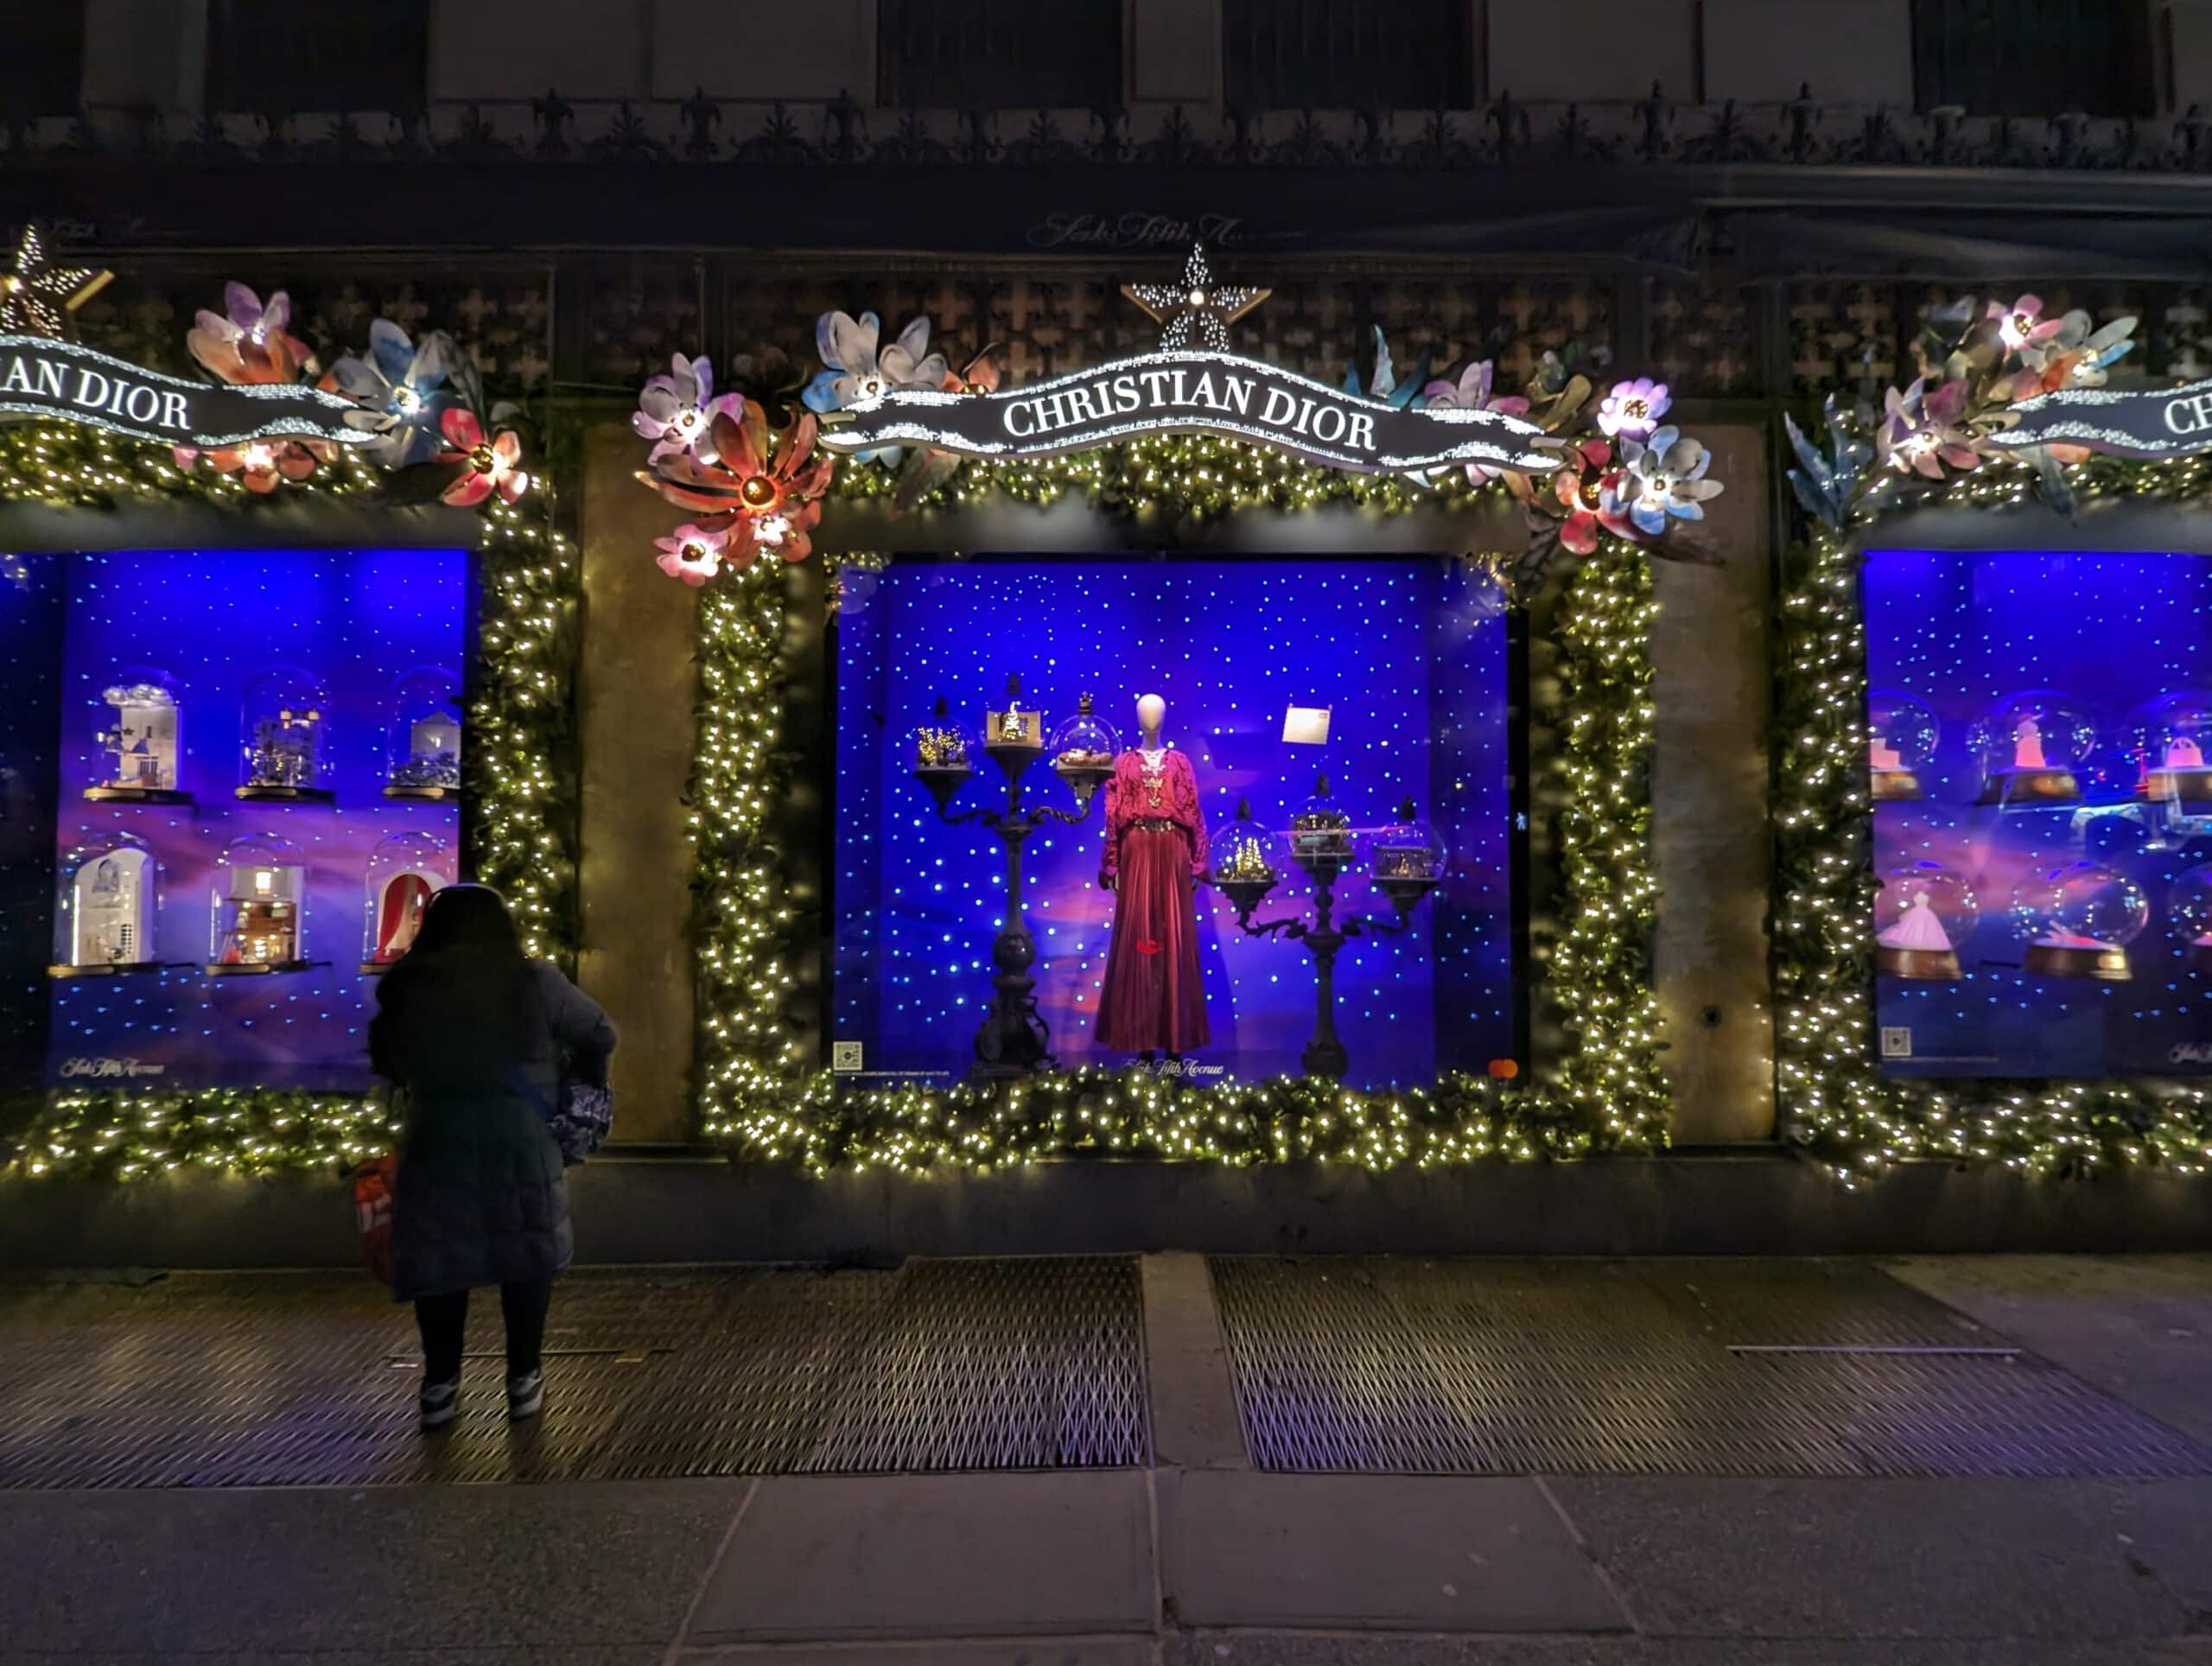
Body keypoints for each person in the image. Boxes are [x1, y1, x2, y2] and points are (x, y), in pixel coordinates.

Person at [368, 883, 616, 1430]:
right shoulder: (536, 983)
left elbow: (387, 1061)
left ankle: (439, 1386)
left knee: (438, 1261)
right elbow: (600, 1031)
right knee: (525, 1253)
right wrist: (563, 1076)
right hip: (520, 1135)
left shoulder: (409, 986)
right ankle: (524, 1379)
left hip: (437, 1133)